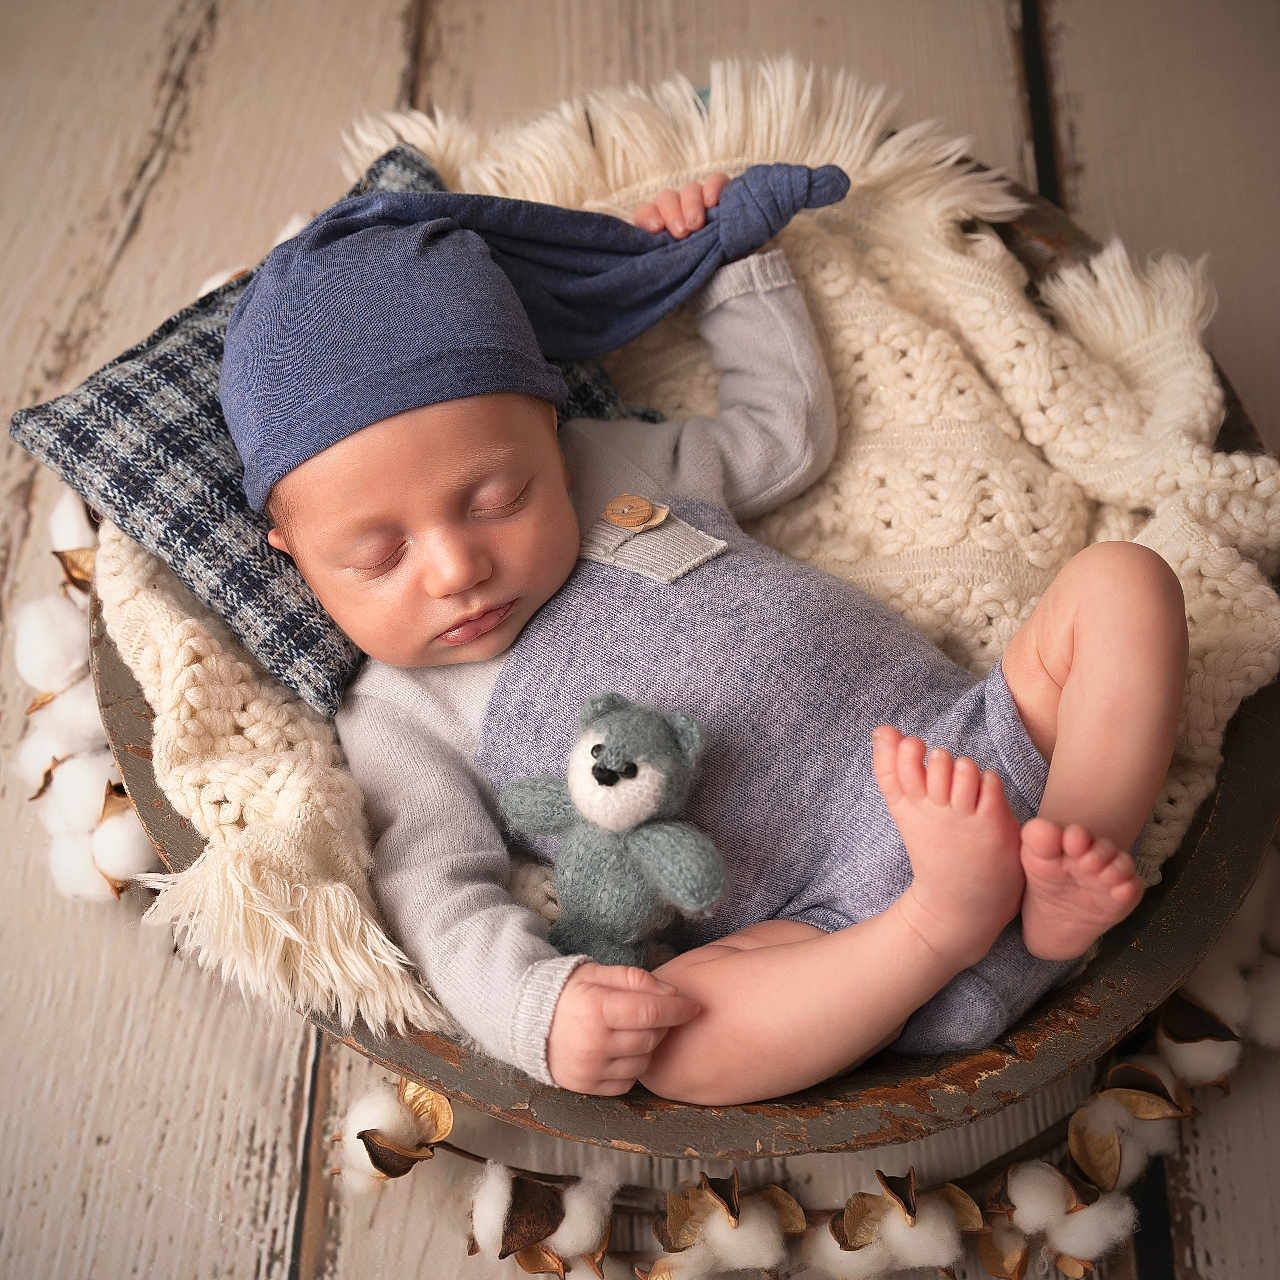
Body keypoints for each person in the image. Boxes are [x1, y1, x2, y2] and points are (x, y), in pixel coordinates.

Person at [219, 170, 1188, 1107]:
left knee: (1123, 582)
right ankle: (943, 922)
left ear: (551, 435)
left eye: (496, 497)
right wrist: (533, 1007)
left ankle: (1072, 849)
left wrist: (731, 258)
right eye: (377, 553)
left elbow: (782, 430)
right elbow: (434, 887)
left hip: (975, 739)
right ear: (292, 551)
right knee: (676, 1044)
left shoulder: (619, 468)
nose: (453, 568)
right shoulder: (398, 705)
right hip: (833, 928)